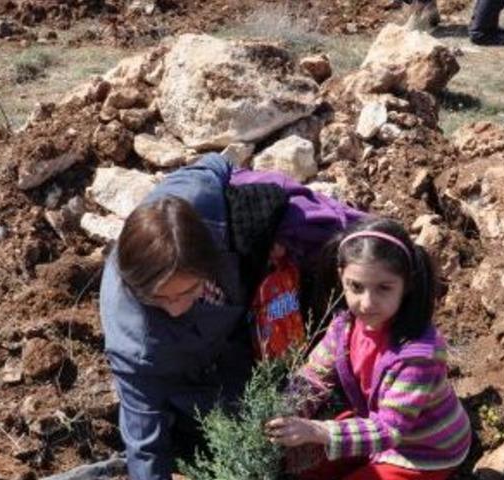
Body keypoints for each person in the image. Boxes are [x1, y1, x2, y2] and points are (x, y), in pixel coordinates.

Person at [100, 153, 365, 480]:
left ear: (208, 262)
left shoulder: (200, 202)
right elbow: (145, 438)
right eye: (159, 297)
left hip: (241, 312)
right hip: (187, 363)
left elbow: (218, 165)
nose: (174, 307)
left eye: (186, 291)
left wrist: (264, 229)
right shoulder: (135, 344)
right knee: (228, 427)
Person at [265, 218, 472, 480]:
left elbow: (390, 429)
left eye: (384, 288)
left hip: (425, 450)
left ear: (406, 285)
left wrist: (317, 430)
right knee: (304, 466)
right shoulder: (345, 326)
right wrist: (284, 411)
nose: (367, 303)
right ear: (342, 277)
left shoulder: (420, 354)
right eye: (356, 287)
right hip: (374, 428)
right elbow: (314, 376)